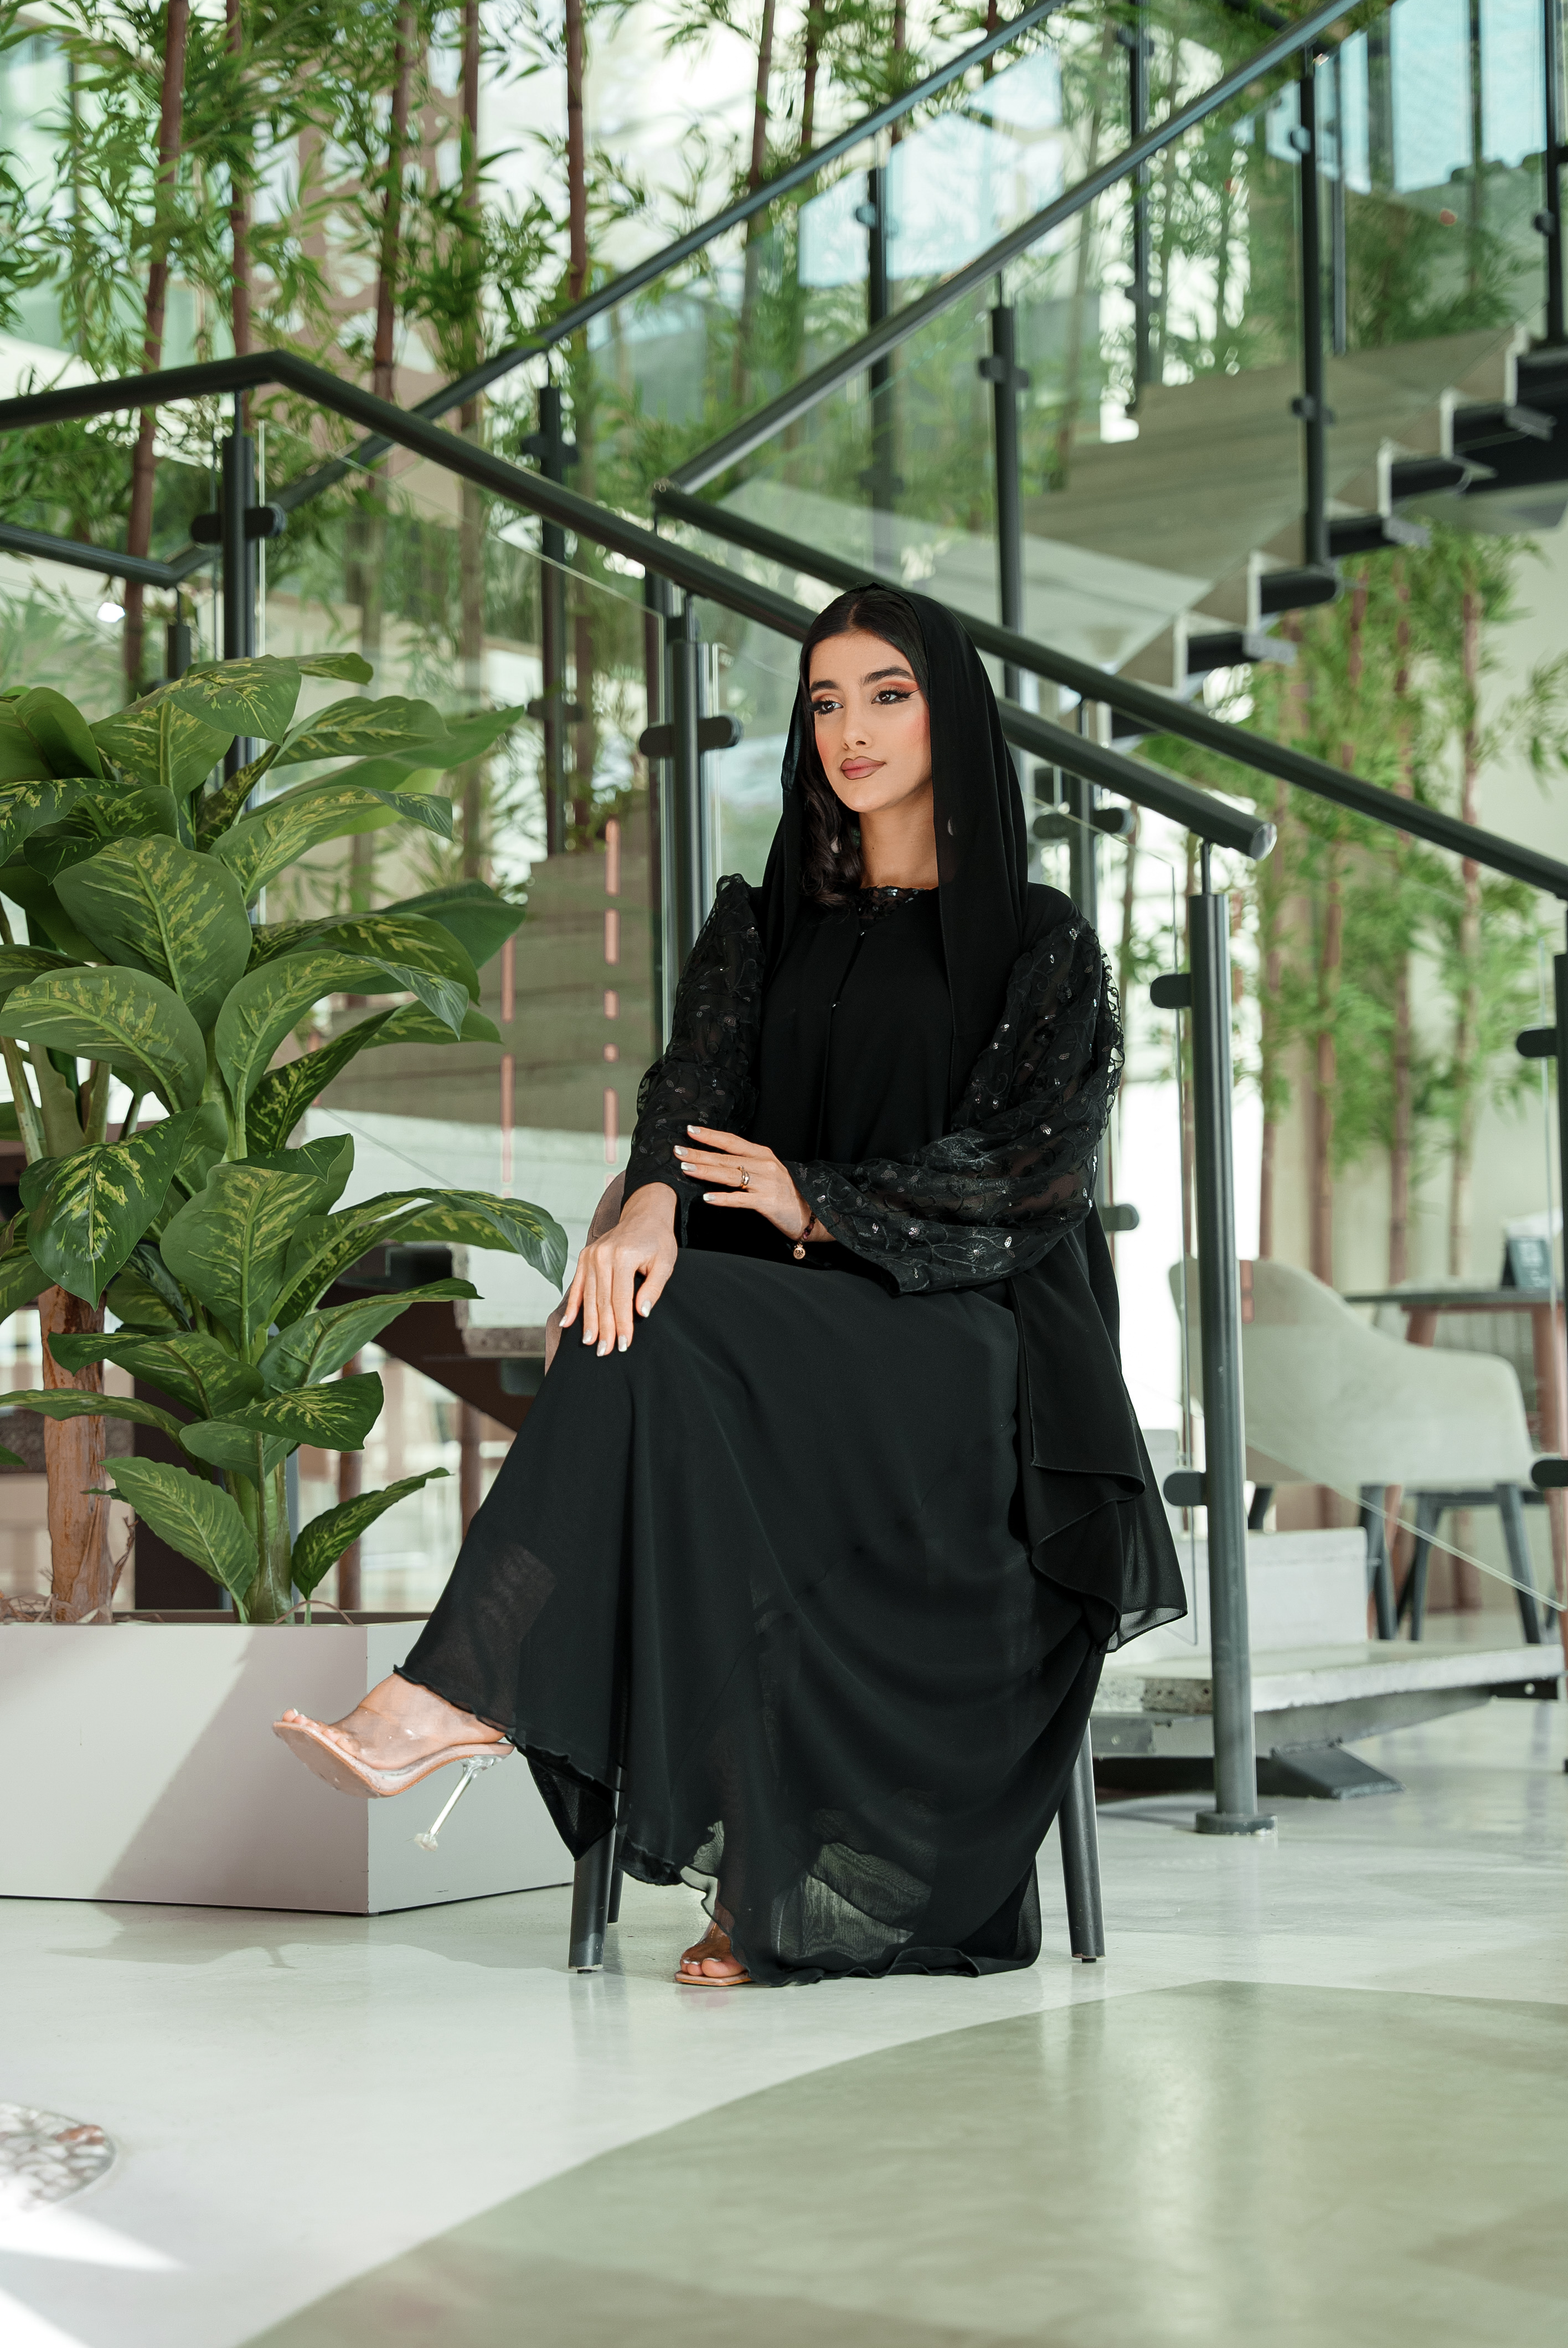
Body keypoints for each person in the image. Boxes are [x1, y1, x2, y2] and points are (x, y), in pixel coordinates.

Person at [275, 586, 1184, 1987]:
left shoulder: (1041, 939)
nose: (850, 729)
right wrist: (646, 1203)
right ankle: (728, 1857)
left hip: (977, 1342)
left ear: (950, 711)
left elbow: (1031, 1167)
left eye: (887, 694)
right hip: (788, 1321)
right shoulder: (763, 925)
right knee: (632, 1306)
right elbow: (688, 1089)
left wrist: (820, 1199)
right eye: (824, 702)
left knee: (666, 1325)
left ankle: (460, 1691)